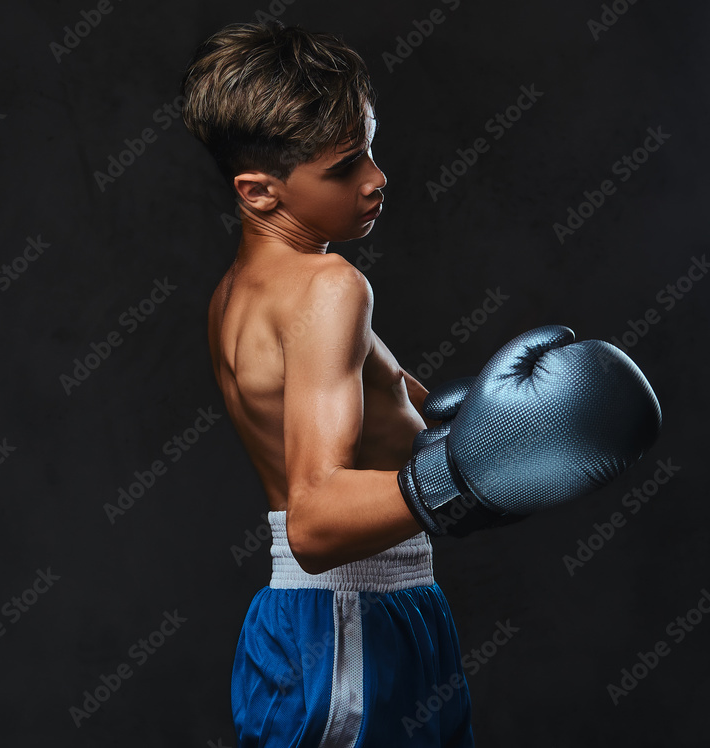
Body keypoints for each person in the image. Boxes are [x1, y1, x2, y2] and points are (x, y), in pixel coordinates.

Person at [180, 20, 660, 747]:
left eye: (369, 146)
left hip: (358, 616)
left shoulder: (240, 291)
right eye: (344, 167)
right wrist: (459, 475)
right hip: (349, 627)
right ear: (259, 192)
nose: (375, 178)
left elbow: (400, 436)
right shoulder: (328, 287)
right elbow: (313, 523)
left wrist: (473, 447)